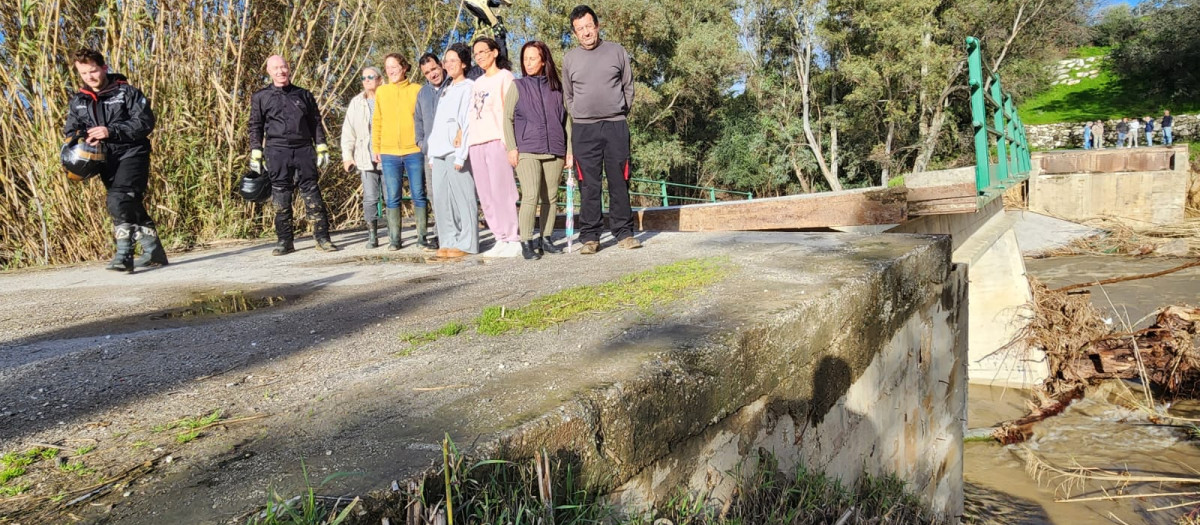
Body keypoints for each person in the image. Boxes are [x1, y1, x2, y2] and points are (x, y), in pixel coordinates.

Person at [63, 48, 168, 272]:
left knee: (118, 199)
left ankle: (124, 255)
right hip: (102, 159)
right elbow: (71, 130)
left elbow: (145, 123)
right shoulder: (79, 100)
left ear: (104, 68)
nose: (89, 77)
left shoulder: (127, 92)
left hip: (132, 153)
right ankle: (153, 252)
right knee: (128, 203)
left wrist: (110, 131)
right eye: (83, 74)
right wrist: (81, 138)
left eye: (93, 71)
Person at [563, 5, 641, 254]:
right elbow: (568, 95)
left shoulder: (616, 51)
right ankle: (590, 237)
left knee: (619, 179)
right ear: (575, 33)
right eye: (579, 29)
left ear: (597, 25)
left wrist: (618, 110)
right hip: (584, 131)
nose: (585, 32)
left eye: (588, 26)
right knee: (589, 184)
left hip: (616, 126)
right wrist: (580, 113)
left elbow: (628, 87)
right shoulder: (569, 59)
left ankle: (624, 232)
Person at [249, 55, 337, 256]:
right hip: (277, 151)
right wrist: (256, 150)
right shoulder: (261, 97)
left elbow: (315, 122)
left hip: (304, 149)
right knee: (281, 195)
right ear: (269, 72)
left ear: (289, 69)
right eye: (276, 68)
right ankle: (284, 241)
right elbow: (255, 125)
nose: (281, 71)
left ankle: (322, 238)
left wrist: (321, 145)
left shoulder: (304, 94)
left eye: (284, 67)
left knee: (312, 192)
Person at [505, 40, 572, 260]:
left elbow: (567, 122)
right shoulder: (518, 86)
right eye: (525, 58)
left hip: (555, 149)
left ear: (544, 60)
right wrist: (512, 148)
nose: (528, 62)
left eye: (532, 58)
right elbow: (507, 119)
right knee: (531, 195)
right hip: (527, 150)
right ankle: (526, 241)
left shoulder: (557, 88)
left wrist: (569, 150)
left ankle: (546, 238)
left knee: (550, 198)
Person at [467, 37, 522, 257]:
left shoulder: (505, 77)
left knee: (503, 192)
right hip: (476, 142)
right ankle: (500, 237)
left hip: (497, 140)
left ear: (495, 52)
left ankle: (513, 238)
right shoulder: (477, 83)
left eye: (483, 51)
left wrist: (510, 144)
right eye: (476, 53)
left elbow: (511, 111)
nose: (479, 56)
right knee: (486, 195)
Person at [373, 53, 433, 251]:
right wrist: (376, 147)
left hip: (413, 149)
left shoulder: (417, 90)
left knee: (418, 193)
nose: (391, 70)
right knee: (392, 196)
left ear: (404, 67)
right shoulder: (382, 92)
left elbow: (424, 118)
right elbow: (378, 121)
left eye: (395, 66)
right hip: (389, 151)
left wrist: (423, 143)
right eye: (388, 67)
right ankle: (394, 239)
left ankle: (422, 236)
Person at [427, 44, 480, 259]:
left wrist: (461, 154)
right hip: (438, 152)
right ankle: (448, 239)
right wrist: (431, 152)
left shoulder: (468, 87)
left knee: (463, 198)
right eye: (446, 60)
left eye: (453, 60)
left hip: (455, 152)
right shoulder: (446, 89)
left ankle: (467, 242)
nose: (448, 64)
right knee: (441, 200)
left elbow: (466, 123)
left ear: (464, 63)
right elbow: (438, 124)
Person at [341, 66, 384, 248]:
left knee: (391, 197)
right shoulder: (356, 102)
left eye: (370, 77)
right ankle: (372, 235)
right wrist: (347, 156)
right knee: (370, 197)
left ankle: (394, 235)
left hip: (387, 155)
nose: (366, 80)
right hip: (365, 156)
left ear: (380, 79)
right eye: (363, 78)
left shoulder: (387, 98)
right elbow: (348, 131)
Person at [415, 53, 449, 214]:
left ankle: (459, 231)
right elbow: (418, 120)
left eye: (434, 69)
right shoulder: (423, 93)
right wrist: (421, 143)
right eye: (427, 73)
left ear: (441, 65)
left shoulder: (454, 86)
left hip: (451, 150)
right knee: (434, 193)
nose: (432, 74)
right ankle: (440, 231)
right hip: (430, 152)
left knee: (453, 192)